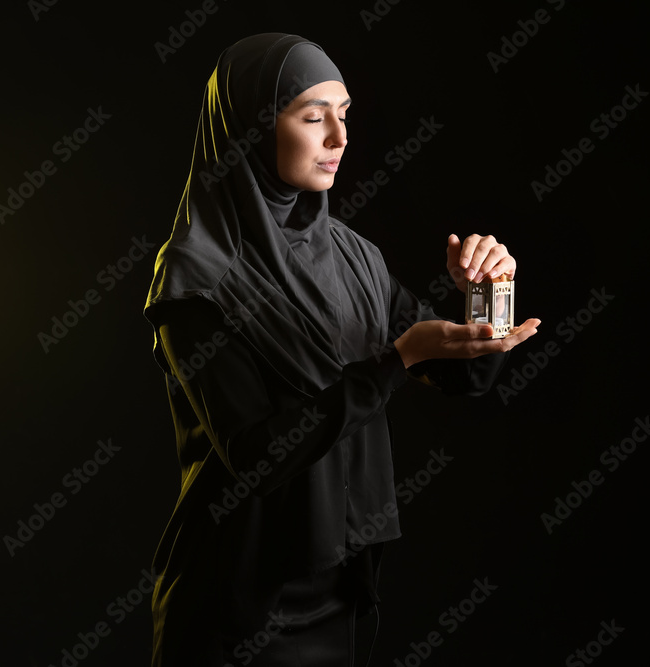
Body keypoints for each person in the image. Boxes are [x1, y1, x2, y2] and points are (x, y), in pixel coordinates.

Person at [142, 32, 540, 667]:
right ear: (250, 129)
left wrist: (490, 294)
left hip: (338, 595)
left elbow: (464, 377)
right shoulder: (197, 279)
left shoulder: (353, 256)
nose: (339, 137)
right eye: (312, 116)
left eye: (345, 114)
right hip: (233, 608)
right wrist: (394, 361)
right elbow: (256, 456)